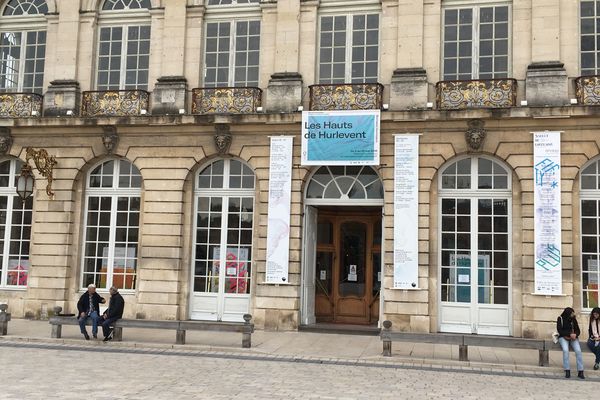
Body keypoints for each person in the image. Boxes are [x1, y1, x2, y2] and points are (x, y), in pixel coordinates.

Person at [557, 307, 584, 379]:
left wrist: (576, 335)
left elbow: (578, 330)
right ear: (567, 313)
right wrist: (569, 334)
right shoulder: (560, 318)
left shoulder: (573, 319)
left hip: (573, 338)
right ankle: (567, 370)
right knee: (565, 350)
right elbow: (560, 331)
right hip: (563, 337)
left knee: (578, 351)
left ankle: (580, 371)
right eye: (571, 313)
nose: (573, 315)